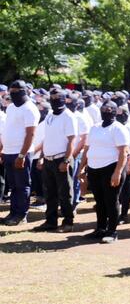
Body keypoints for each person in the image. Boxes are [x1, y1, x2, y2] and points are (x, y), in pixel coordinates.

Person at [78, 101, 129, 243]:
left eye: (109, 109)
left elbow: (124, 152)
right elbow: (87, 149)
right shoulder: (94, 128)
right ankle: (100, 228)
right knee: (99, 201)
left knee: (111, 200)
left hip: (111, 168)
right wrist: (82, 167)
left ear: (114, 111)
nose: (106, 111)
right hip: (94, 168)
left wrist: (117, 172)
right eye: (104, 109)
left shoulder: (118, 128)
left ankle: (112, 231)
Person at [32, 89, 77, 232]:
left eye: (58, 97)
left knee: (65, 193)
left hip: (61, 159)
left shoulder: (68, 116)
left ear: (64, 99)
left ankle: (68, 222)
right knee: (49, 192)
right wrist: (41, 157)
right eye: (52, 97)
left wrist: (66, 161)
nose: (55, 100)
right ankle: (50, 221)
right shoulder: (50, 115)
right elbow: (48, 138)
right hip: (48, 159)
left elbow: (71, 141)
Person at [1, 80, 39, 225]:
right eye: (11, 91)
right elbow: (7, 129)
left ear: (24, 91)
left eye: (16, 91)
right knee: (13, 186)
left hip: (21, 153)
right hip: (8, 151)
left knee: (22, 185)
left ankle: (21, 215)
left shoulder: (30, 109)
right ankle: (13, 212)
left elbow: (30, 134)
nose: (13, 94)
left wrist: (22, 155)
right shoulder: (11, 108)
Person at [115, 106, 130, 224]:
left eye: (121, 114)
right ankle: (116, 213)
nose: (119, 116)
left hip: (128, 160)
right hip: (115, 161)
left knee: (125, 190)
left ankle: (124, 215)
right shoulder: (114, 126)